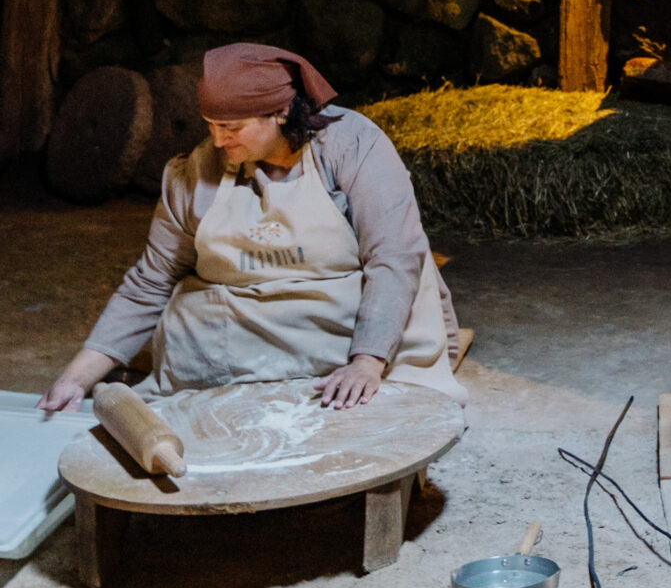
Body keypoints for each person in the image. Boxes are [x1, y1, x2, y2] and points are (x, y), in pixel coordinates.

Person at [41, 42, 462, 414]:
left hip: (343, 319)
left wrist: (367, 362)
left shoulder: (353, 147)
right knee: (190, 333)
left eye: (232, 128)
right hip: (249, 323)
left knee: (384, 403)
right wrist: (78, 376)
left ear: (280, 113)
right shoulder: (199, 170)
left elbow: (393, 257)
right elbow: (152, 280)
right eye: (210, 125)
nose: (219, 141)